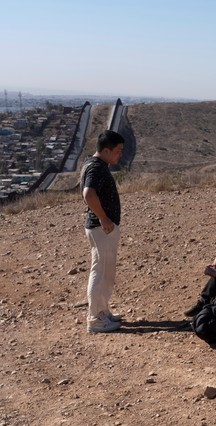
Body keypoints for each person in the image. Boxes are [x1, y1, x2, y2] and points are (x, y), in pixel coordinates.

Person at [81, 130, 125, 333]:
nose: (119, 155)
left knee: (106, 271)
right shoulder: (96, 168)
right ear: (106, 150)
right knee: (100, 271)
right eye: (117, 151)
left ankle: (103, 311)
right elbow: (88, 194)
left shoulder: (96, 164)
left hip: (103, 227)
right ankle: (95, 319)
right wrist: (103, 217)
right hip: (101, 228)